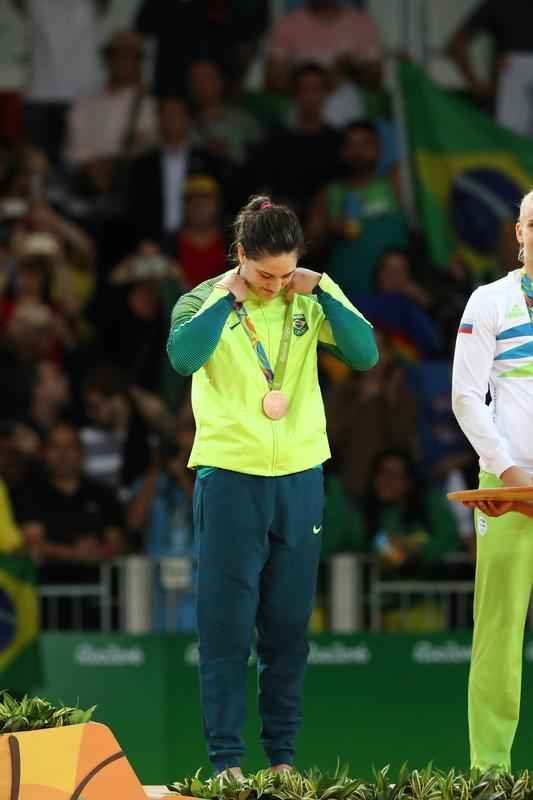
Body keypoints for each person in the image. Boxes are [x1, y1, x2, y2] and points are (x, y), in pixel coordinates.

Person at [166, 195, 378, 776]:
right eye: (264, 275)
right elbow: (184, 358)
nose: (276, 286)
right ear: (240, 256)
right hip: (231, 478)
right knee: (227, 628)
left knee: (287, 629)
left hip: (300, 479)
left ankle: (282, 760)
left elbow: (364, 354)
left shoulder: (306, 298)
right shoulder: (201, 299)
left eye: (287, 273)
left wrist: (324, 287)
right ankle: (226, 762)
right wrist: (228, 296)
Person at [451, 188, 533, 771]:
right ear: (520, 233)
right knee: (499, 632)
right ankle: (490, 773)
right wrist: (508, 471)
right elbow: (465, 396)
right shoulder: (490, 302)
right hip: (509, 487)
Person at [447, 0, 533, 136]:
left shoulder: (500, 5)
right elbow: (457, 46)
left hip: (506, 101)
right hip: (507, 99)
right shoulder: (499, 5)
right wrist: (478, 88)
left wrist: (477, 88)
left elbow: (456, 45)